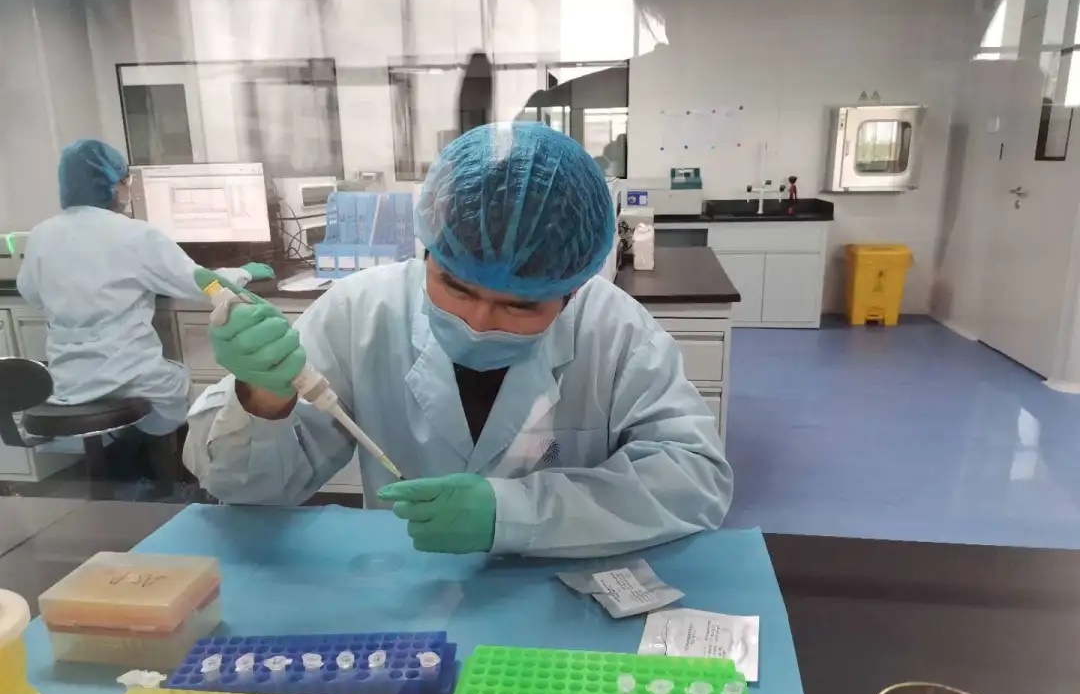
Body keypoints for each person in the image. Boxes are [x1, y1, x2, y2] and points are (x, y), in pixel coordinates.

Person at [184, 122, 733, 557]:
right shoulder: (361, 312)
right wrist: (263, 398)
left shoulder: (614, 331)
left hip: (563, 588)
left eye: (520, 305)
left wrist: (515, 513)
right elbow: (247, 491)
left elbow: (695, 479)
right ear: (427, 250)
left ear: (571, 290)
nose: (479, 321)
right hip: (409, 585)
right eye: (455, 287)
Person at [18, 139, 273, 438]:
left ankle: (126, 454)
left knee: (141, 409)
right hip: (130, 378)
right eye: (125, 181)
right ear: (113, 186)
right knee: (185, 387)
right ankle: (163, 460)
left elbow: (30, 292)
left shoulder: (41, 235)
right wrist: (243, 272)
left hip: (68, 383)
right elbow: (201, 283)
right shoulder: (135, 235)